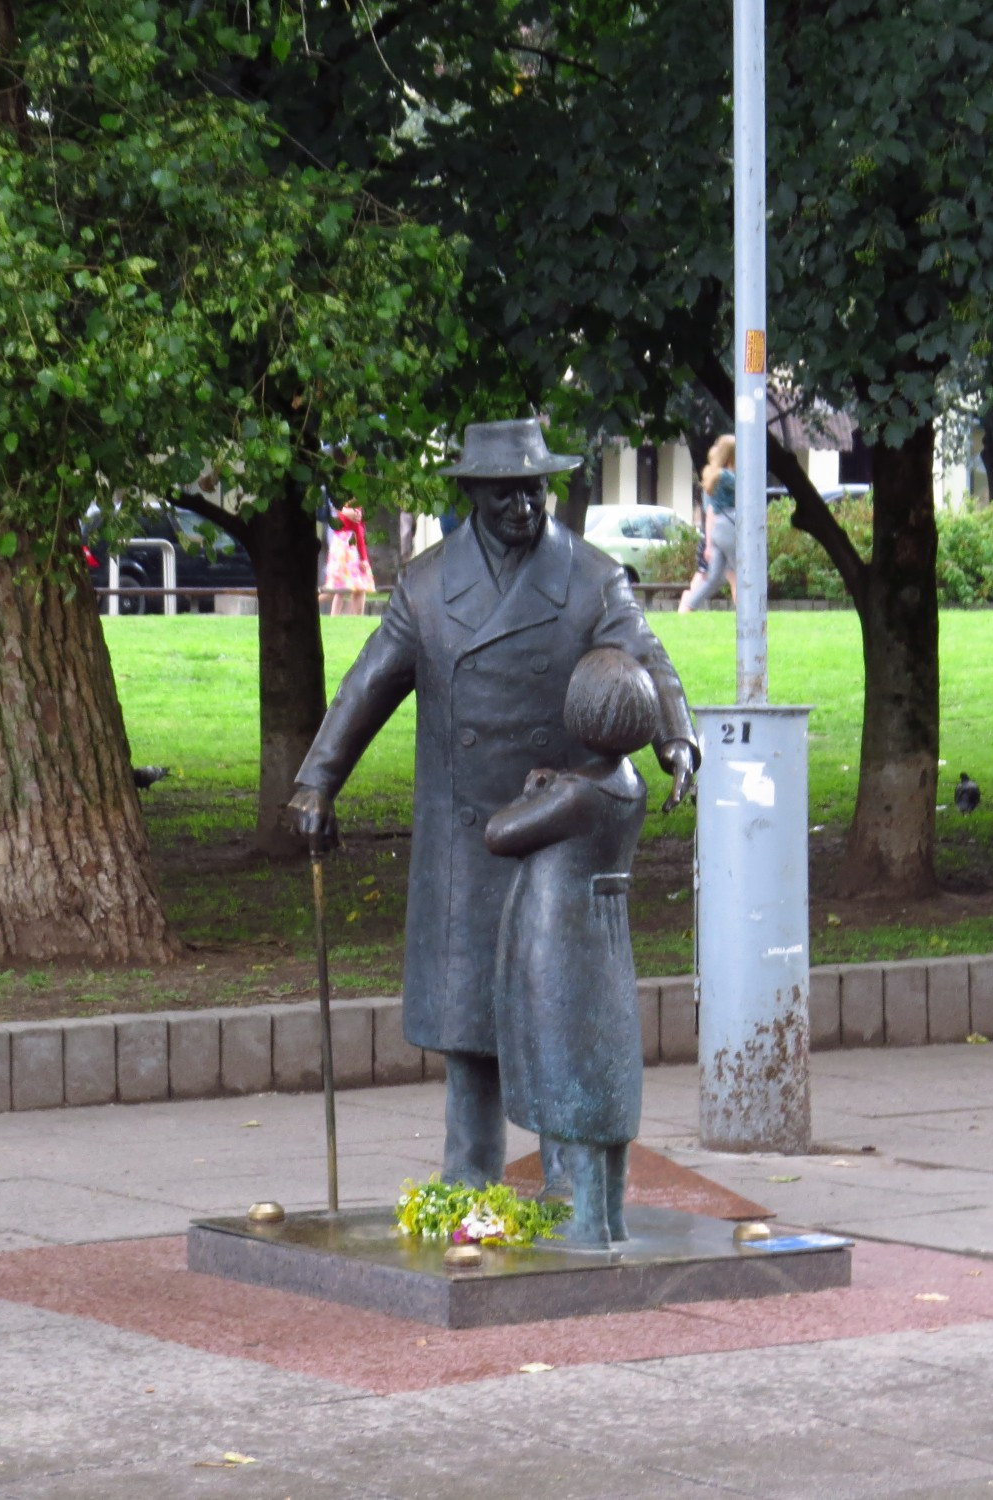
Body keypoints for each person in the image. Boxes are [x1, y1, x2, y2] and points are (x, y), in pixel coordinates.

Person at [285, 418, 699, 1188]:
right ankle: (467, 1195)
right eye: (508, 490)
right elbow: (369, 686)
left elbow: (646, 658)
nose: (525, 504)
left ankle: (569, 1195)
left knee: (558, 1028)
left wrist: (675, 739)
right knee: (470, 1038)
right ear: (474, 492)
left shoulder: (589, 577)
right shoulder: (427, 585)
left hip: (552, 845)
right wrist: (318, 779)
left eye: (536, 487)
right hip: (465, 845)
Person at [484, 646, 657, 1248]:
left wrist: (536, 795)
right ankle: (609, 1219)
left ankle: (587, 1222)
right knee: (605, 1077)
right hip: (603, 942)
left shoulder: (576, 797)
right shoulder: (629, 784)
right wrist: (550, 787)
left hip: (558, 943)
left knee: (572, 1074)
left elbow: (500, 834)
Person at [678, 434, 737, 613]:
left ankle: (687, 608)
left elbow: (710, 512)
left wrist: (709, 543)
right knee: (741, 574)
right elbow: (747, 487)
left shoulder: (711, 476)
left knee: (713, 578)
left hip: (716, 530)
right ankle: (746, 611)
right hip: (729, 527)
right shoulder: (726, 477)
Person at [322, 502, 375, 616]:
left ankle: (336, 616)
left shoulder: (345, 508)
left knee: (341, 588)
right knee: (357, 585)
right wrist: (363, 559)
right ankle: (355, 617)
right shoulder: (353, 510)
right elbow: (358, 535)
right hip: (348, 550)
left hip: (340, 546)